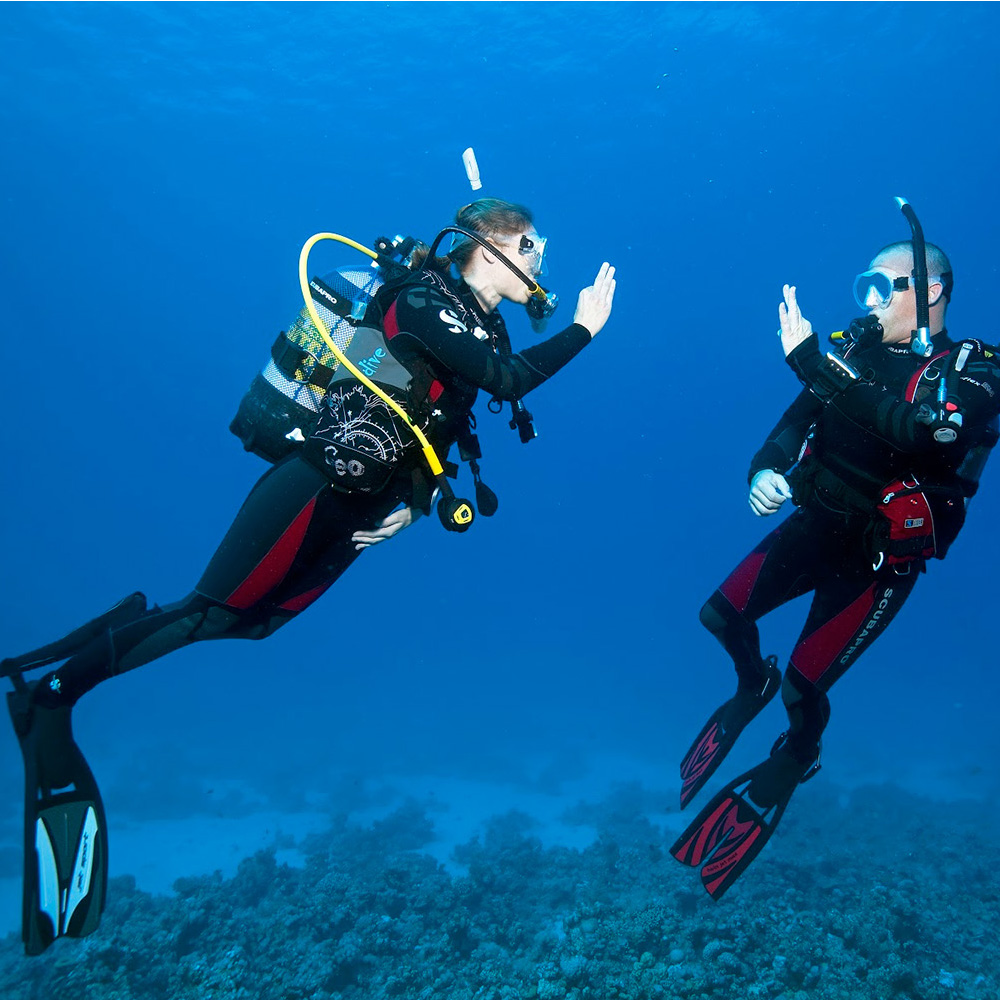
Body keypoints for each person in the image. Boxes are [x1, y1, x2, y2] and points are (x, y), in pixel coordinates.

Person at [2, 197, 616, 954]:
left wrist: (416, 504)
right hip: (312, 483)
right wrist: (585, 326)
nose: (543, 257)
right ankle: (51, 698)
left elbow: (440, 422)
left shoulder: (477, 321)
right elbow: (508, 378)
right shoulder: (420, 299)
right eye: (532, 242)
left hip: (357, 505)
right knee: (207, 610)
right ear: (486, 248)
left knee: (253, 622)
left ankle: (123, 622)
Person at [671, 234, 1000, 899]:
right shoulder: (847, 354)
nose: (869, 298)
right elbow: (795, 423)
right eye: (866, 283)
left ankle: (799, 751)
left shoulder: (975, 370)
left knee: (804, 688)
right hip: (814, 523)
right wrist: (763, 470)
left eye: (885, 285)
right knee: (719, 616)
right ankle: (748, 684)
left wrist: (817, 368)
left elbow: (929, 433)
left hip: (876, 562)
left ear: (930, 292)